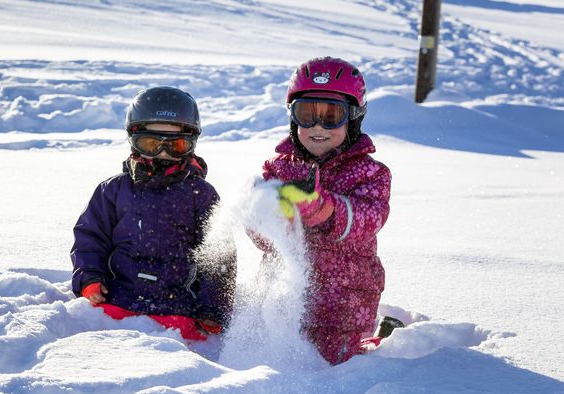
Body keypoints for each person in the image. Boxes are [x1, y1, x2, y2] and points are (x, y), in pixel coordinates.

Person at [71, 86, 236, 341]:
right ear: (134, 140)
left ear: (191, 144)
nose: (163, 154)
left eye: (176, 145)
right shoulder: (113, 190)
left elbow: (219, 256)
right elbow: (90, 237)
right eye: (150, 144)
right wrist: (89, 277)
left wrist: (213, 307)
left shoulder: (201, 195)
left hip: (179, 312)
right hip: (117, 302)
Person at [257, 56, 392, 364]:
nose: (317, 127)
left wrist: (324, 209)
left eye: (331, 116)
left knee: (335, 371)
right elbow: (262, 238)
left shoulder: (370, 174)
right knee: (271, 362)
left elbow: (368, 219)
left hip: (343, 304)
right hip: (281, 301)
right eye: (306, 114)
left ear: (354, 118)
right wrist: (267, 217)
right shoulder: (277, 169)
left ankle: (378, 340)